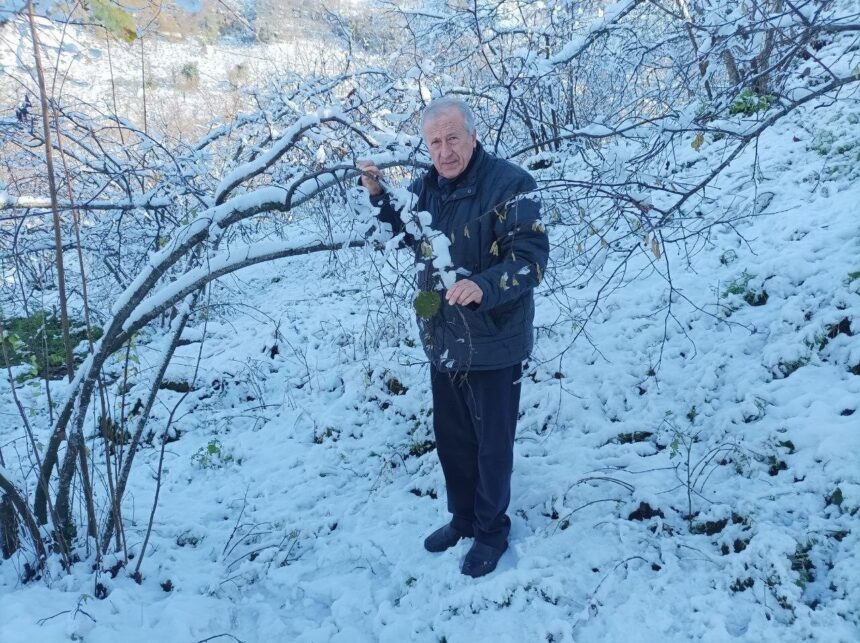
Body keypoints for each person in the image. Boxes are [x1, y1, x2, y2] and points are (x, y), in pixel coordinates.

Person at [357, 97, 549, 578]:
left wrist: (483, 286)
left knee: (491, 444)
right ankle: (463, 518)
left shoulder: (512, 184)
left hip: (494, 337)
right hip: (444, 337)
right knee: (453, 439)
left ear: (473, 135)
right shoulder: (428, 188)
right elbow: (403, 233)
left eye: (453, 138)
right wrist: (379, 193)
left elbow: (530, 261)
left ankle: (491, 530)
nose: (444, 151)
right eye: (435, 142)